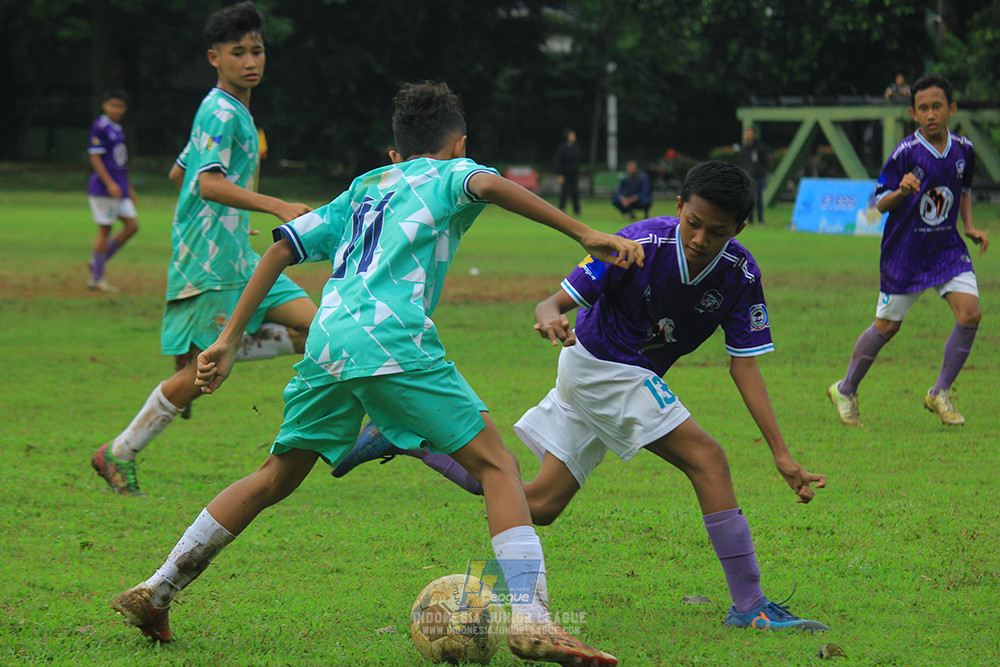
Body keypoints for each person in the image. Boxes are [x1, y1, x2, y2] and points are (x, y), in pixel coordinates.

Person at [108, 80, 643, 666]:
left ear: (397, 148)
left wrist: (229, 340)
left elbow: (280, 249)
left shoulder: (365, 187)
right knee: (498, 466)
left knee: (273, 478)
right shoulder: (449, 175)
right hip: (392, 339)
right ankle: (534, 621)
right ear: (458, 143)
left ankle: (156, 589)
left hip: (328, 343)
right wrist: (585, 232)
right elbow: (487, 183)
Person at [334, 161, 830, 632]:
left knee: (541, 504)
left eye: (717, 231)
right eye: (693, 222)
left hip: (604, 376)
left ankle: (408, 439)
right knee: (708, 459)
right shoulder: (639, 242)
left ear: (739, 228)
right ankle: (750, 607)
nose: (701, 239)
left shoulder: (740, 276)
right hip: (602, 366)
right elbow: (552, 300)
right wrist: (550, 315)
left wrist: (781, 454)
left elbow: (744, 364)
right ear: (679, 204)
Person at [91, 1, 317, 496]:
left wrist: (230, 221)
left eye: (256, 50)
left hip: (235, 253)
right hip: (212, 262)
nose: (250, 61)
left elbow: (180, 172)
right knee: (201, 374)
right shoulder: (219, 109)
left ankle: (231, 351)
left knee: (317, 329)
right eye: (237, 53)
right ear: (214, 57)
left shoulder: (233, 113)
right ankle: (119, 451)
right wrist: (273, 205)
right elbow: (207, 184)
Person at [828, 73, 989, 428]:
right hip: (906, 252)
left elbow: (963, 189)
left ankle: (940, 392)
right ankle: (845, 389)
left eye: (937, 107)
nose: (931, 114)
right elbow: (879, 205)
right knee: (887, 327)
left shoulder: (964, 150)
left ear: (951, 109)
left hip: (946, 248)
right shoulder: (906, 153)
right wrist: (901, 191)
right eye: (923, 109)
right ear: (914, 114)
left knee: (970, 314)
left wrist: (969, 226)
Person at [86, 90, 139, 292]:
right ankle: (96, 278)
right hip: (104, 188)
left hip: (120, 187)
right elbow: (95, 157)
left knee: (132, 226)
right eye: (113, 105)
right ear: (104, 106)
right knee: (104, 229)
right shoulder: (100, 127)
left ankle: (97, 261)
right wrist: (109, 183)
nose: (116, 110)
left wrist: (129, 187)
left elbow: (121, 162)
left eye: (120, 106)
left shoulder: (118, 129)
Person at [740, 127, 769, 225]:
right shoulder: (744, 148)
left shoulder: (760, 147)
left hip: (758, 177)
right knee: (748, 199)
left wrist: (762, 173)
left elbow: (765, 161)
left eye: (750, 133)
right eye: (746, 133)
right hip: (748, 177)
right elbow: (742, 162)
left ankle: (761, 220)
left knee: (759, 199)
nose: (748, 135)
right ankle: (750, 220)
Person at [554, 129, 581, 215]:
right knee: (564, 191)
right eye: (571, 135)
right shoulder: (562, 149)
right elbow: (558, 162)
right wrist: (560, 175)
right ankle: (562, 208)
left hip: (574, 173)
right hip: (565, 173)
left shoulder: (576, 148)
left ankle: (576, 210)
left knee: (575, 192)